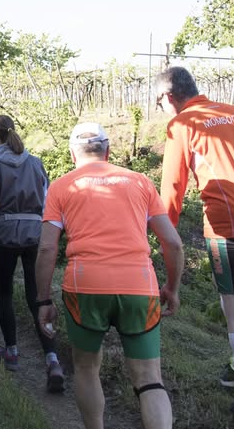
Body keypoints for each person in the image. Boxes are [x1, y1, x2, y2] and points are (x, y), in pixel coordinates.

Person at [36, 122, 184, 429]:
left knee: (86, 368)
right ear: (109, 151)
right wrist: (172, 287)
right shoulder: (141, 182)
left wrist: (43, 299)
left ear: (72, 154)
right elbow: (172, 243)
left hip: (84, 286)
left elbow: (47, 248)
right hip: (139, 285)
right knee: (149, 378)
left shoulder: (62, 186)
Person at [156, 66, 234, 424]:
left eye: (159, 103)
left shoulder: (183, 125)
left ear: (170, 97)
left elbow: (172, 188)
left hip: (229, 226)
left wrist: (164, 238)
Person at [0, 115, 64, 389]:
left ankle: (11, 352)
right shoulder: (36, 163)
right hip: (34, 235)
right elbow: (48, 202)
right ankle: (53, 359)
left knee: (4, 294)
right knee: (38, 296)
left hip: (5, 237)